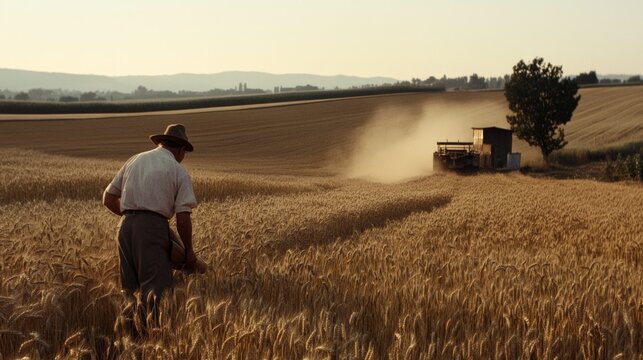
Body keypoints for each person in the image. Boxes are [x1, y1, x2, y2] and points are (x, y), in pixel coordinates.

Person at [102, 123, 198, 330]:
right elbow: (182, 218)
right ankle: (152, 342)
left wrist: (133, 217)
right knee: (156, 294)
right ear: (180, 149)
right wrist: (189, 251)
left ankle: (130, 343)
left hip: (124, 228)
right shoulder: (177, 170)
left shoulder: (135, 160)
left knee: (129, 292)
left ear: (162, 142)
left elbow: (108, 198)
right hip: (153, 230)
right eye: (184, 153)